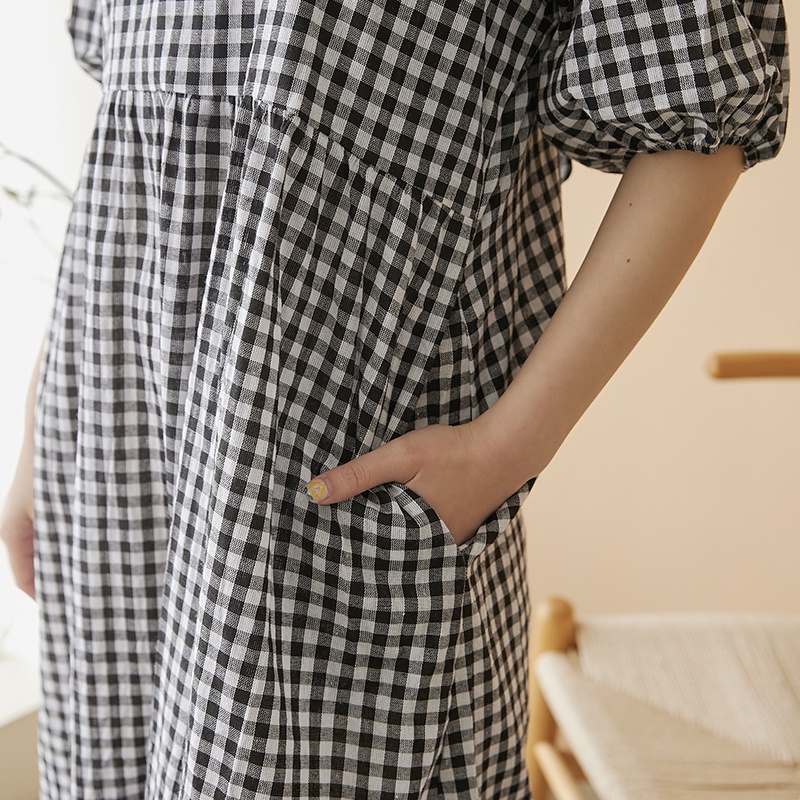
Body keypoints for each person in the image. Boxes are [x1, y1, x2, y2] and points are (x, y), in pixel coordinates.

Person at [0, 0, 790, 798]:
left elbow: (700, 116)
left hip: (334, 472)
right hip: (112, 433)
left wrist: (502, 454)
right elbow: (131, 130)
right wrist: (43, 411)